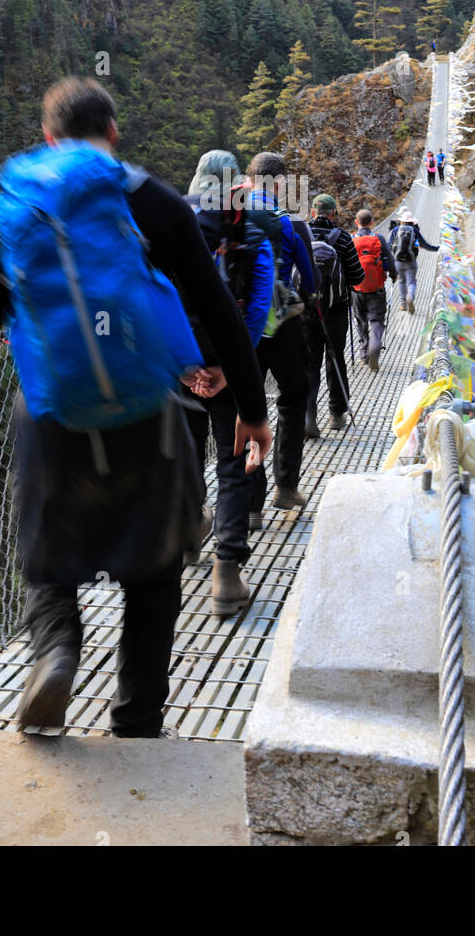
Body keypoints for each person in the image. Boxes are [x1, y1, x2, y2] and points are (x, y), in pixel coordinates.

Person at [0, 78, 271, 736]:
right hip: (146, 418)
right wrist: (252, 410)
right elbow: (220, 312)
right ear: (114, 135)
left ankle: (57, 648)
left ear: (49, 139)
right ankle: (137, 719)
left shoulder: (28, 204)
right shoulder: (156, 202)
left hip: (51, 418)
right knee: (154, 569)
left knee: (45, 554)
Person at [184, 150, 274, 618]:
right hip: (230, 364)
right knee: (234, 459)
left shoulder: (174, 229)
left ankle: (185, 533)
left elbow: (155, 300)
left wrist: (181, 366)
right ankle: (226, 572)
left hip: (180, 367)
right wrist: (231, 368)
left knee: (183, 451)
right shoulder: (254, 233)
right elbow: (258, 308)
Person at [245, 152, 317, 512]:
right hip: (281, 323)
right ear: (278, 184)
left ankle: (252, 502)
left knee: (248, 406)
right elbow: (307, 278)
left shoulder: (230, 216)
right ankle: (286, 488)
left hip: (243, 328)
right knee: (292, 399)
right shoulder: (286, 223)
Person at [304, 194, 365, 437]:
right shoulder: (343, 238)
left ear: (312, 212)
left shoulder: (300, 233)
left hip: (305, 311)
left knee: (309, 362)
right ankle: (337, 414)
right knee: (335, 358)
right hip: (336, 311)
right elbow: (357, 276)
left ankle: (308, 415)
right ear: (333, 214)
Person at [351, 209, 396, 373]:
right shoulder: (379, 239)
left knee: (361, 321)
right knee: (376, 322)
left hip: (357, 290)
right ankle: (375, 347)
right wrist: (394, 275)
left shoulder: (351, 239)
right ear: (371, 223)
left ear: (357, 222)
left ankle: (364, 354)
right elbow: (390, 260)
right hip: (376, 290)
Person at [389, 209, 438, 314]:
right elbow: (425, 245)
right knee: (411, 282)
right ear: (412, 221)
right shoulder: (415, 231)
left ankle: (403, 304)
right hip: (411, 261)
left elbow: (389, 245)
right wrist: (437, 248)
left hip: (398, 261)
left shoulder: (395, 230)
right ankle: (410, 297)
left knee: (401, 281)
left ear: (401, 220)